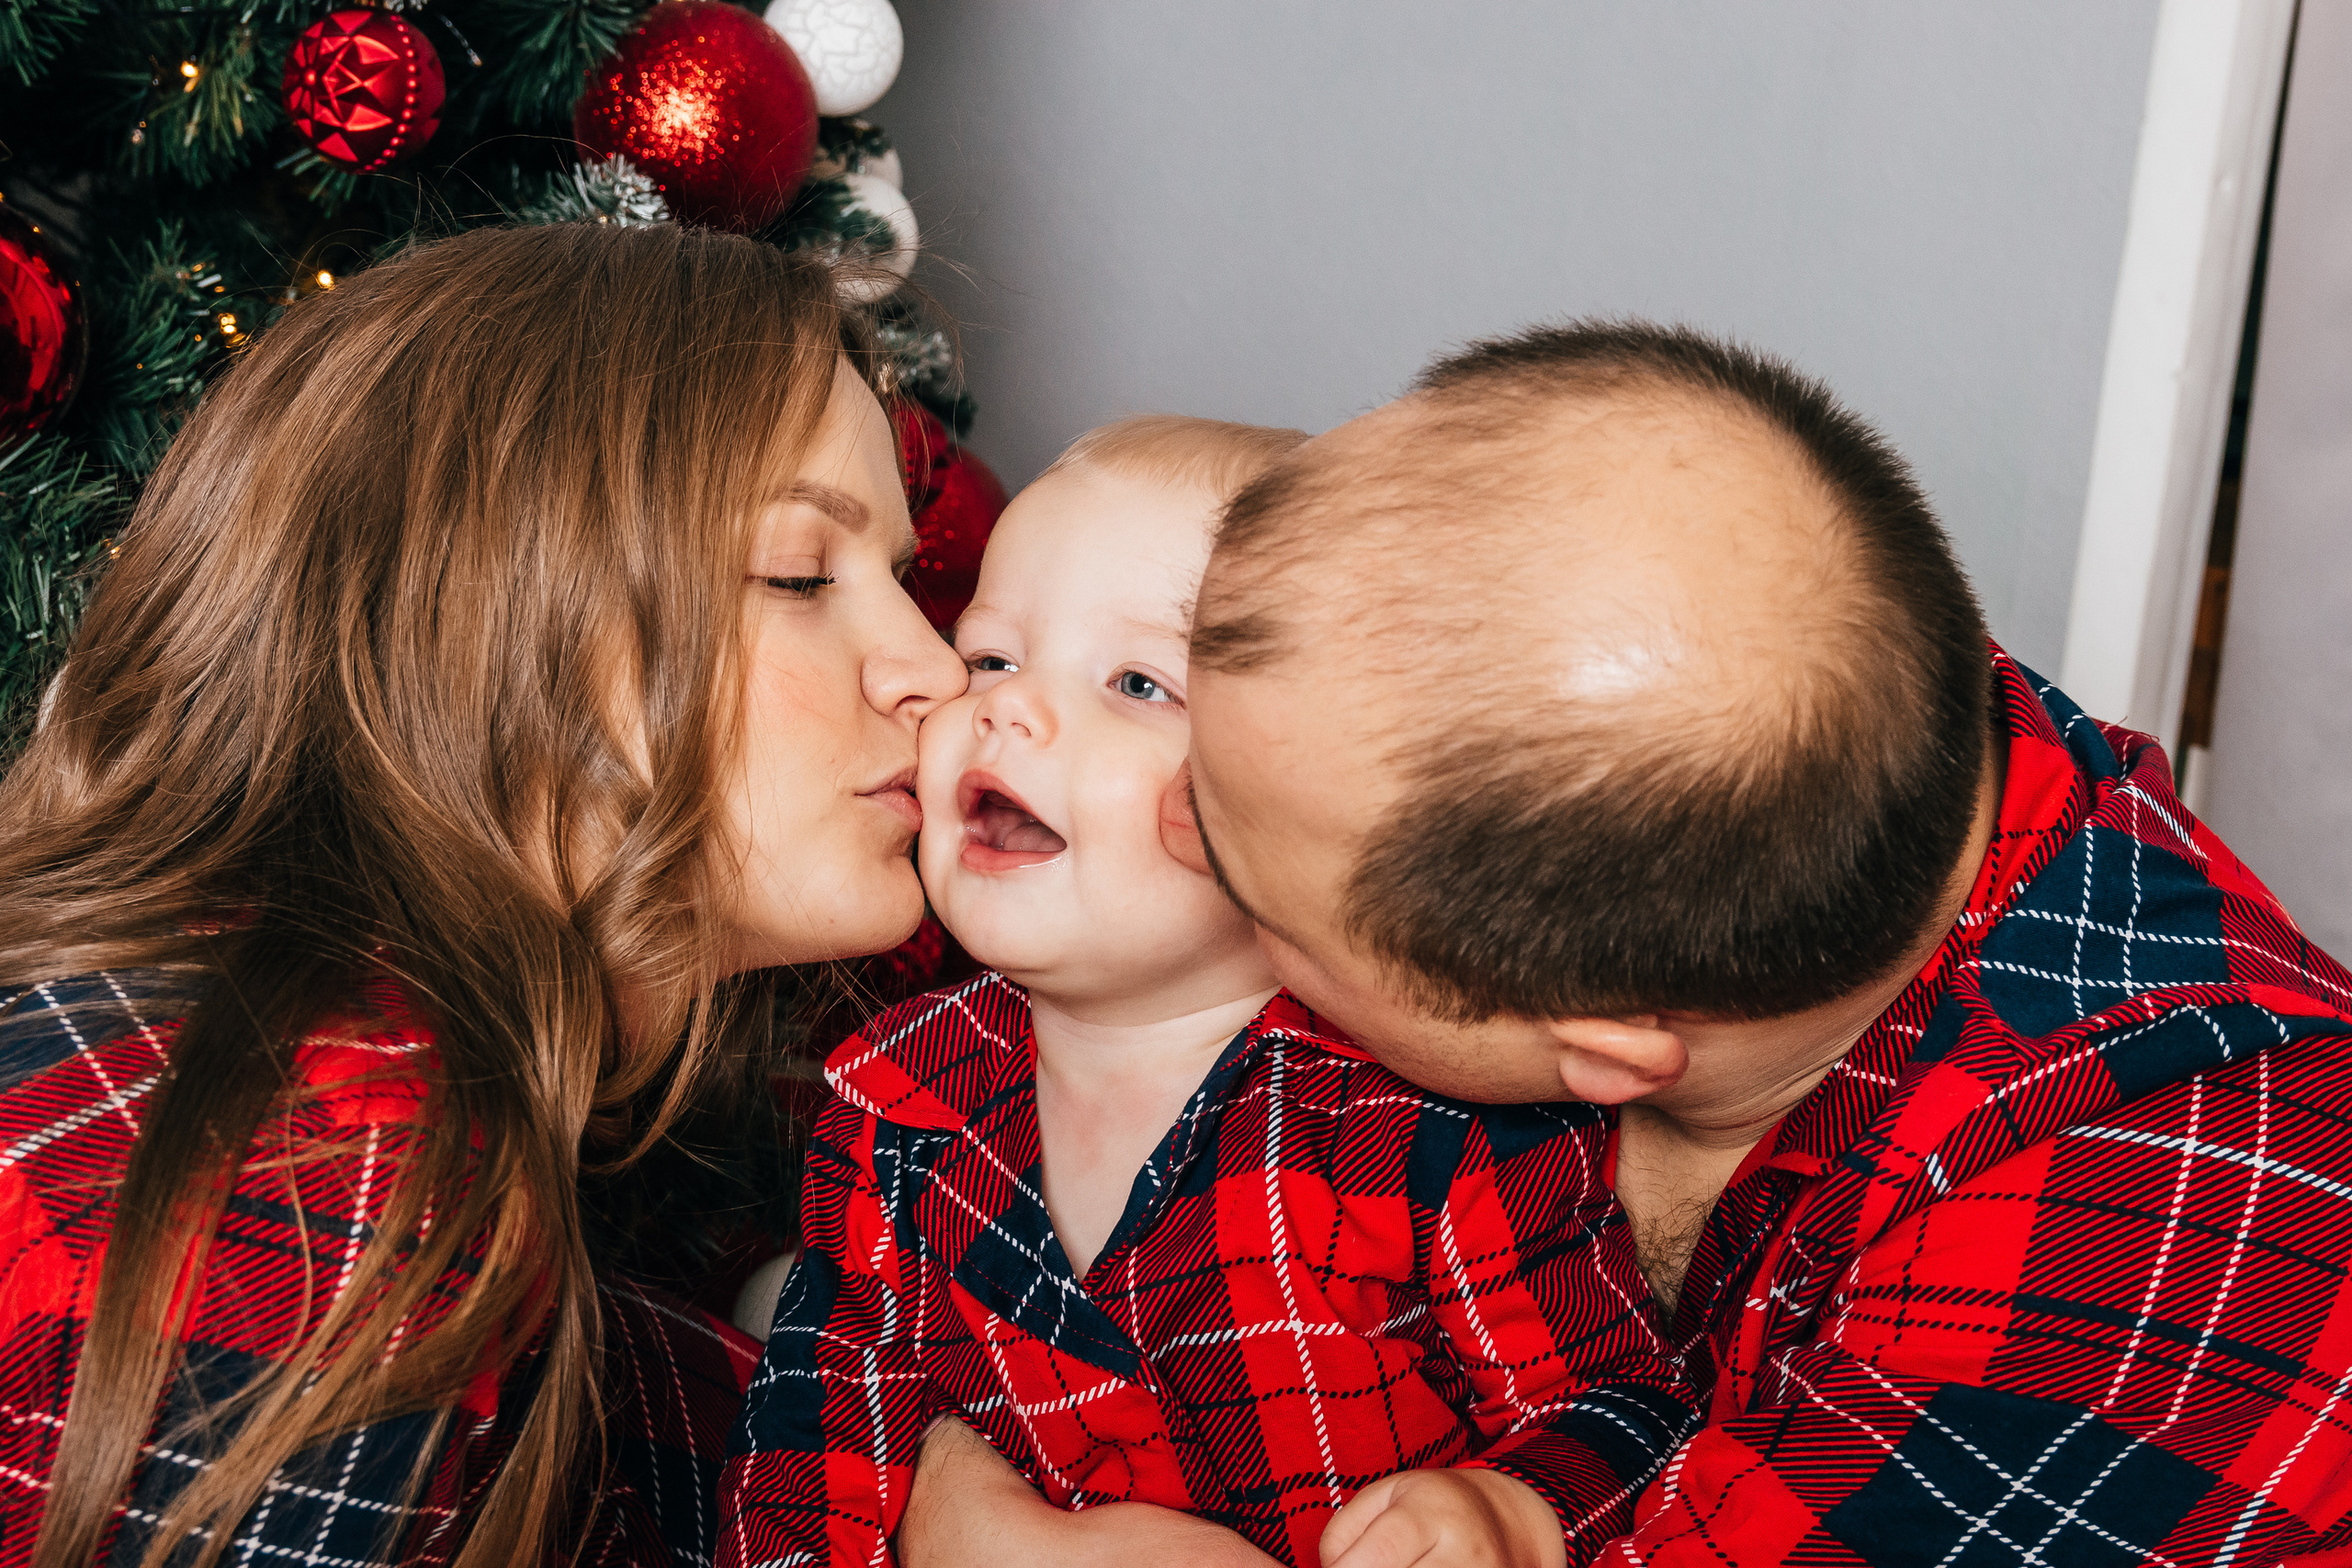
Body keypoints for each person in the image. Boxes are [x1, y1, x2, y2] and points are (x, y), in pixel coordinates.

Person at [899, 321, 2352, 1567]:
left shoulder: (2127, 1294)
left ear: (1597, 1048)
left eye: (1249, 882)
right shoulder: (1740, 687)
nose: (1159, 830)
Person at [0, 223, 963, 1568]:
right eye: (801, 573)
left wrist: (931, 1495)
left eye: (906, 579)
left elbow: (630, 1431)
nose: (932, 669)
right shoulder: (331, 1148)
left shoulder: (323, 1077)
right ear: (494, 614)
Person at [718, 416, 1694, 1568]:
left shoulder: (1424, 1115)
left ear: (1317, 793)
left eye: (1137, 683)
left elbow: (1631, 1412)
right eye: (990, 657)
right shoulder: (893, 1099)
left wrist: (1508, 1512)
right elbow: (817, 1444)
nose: (1006, 710)